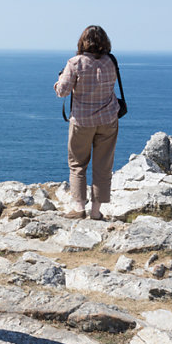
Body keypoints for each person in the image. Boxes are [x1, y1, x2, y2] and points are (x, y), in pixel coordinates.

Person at [54, 25, 120, 221]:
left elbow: (62, 92)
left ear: (82, 41)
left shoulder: (75, 63)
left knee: (77, 164)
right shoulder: (111, 61)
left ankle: (79, 207)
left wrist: (59, 80)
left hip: (82, 121)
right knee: (103, 166)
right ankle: (96, 211)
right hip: (108, 119)